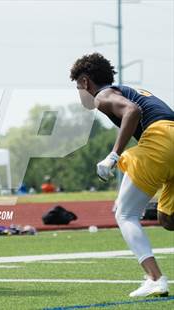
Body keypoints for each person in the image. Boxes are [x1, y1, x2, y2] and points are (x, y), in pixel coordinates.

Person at [70, 53, 174, 297]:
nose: (79, 94)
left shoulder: (103, 96)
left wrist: (114, 155)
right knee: (168, 219)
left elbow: (132, 110)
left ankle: (155, 278)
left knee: (125, 213)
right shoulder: (125, 89)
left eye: (77, 87)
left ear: (85, 82)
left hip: (161, 140)